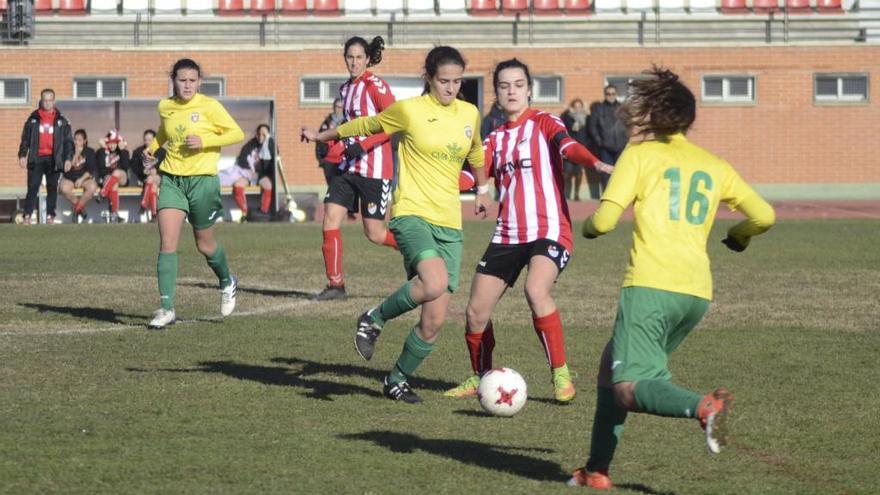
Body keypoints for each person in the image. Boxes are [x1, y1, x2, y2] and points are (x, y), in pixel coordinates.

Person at [567, 67, 776, 490]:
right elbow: (765, 215)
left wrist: (584, 230)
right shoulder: (712, 164)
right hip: (695, 293)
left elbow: (604, 221)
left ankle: (703, 406)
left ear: (653, 113)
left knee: (629, 386)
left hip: (651, 287)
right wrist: (738, 236)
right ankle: (595, 472)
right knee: (612, 368)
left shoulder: (640, 155)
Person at [301, 46, 491, 404]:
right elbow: (366, 125)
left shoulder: (469, 112)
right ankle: (373, 318)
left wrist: (482, 189)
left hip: (450, 223)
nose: (451, 88)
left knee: (433, 321)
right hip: (411, 214)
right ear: (429, 79)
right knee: (433, 282)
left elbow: (476, 151)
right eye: (443, 81)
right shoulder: (409, 110)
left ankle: (397, 379)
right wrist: (325, 136)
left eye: (456, 81)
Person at [443, 59, 613, 404]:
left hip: (548, 230)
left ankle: (561, 373)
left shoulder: (545, 121)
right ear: (497, 94)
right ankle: (480, 377)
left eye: (518, 84)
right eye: (504, 86)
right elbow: (474, 177)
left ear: (529, 89)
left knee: (536, 290)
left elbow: (567, 147)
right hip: (508, 234)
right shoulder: (493, 140)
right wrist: (435, 179)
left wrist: (592, 162)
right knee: (476, 312)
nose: (511, 91)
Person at [144, 58, 245, 330]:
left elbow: (236, 132)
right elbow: (166, 130)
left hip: (203, 182)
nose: (187, 85)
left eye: (192, 80)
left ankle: (226, 281)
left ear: (200, 81)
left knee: (205, 245)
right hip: (172, 180)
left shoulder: (210, 106)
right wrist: (153, 149)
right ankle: (166, 308)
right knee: (167, 243)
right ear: (173, 80)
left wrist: (205, 141)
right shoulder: (165, 106)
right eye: (182, 80)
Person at [303, 36, 400, 302]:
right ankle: (336, 285)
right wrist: (322, 138)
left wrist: (365, 144)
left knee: (375, 234)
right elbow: (347, 129)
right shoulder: (345, 89)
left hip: (375, 170)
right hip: (348, 168)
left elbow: (394, 124)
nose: (354, 62)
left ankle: (417, 255)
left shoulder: (376, 85)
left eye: (359, 57)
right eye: (350, 57)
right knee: (330, 219)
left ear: (368, 59)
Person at [18, 88, 73, 225]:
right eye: (45, 100)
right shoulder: (33, 119)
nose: (47, 103)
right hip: (37, 158)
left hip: (54, 159)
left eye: (50, 100)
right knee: (33, 187)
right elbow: (25, 139)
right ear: (41, 101)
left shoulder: (62, 120)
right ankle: (27, 216)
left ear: (54, 101)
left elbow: (68, 142)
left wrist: (68, 159)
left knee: (52, 187)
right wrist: (23, 155)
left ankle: (50, 216)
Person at [588, 85, 629, 191]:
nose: (610, 96)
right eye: (608, 94)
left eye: (613, 93)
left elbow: (629, 125)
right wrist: (599, 142)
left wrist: (626, 141)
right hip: (605, 147)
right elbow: (592, 127)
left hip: (621, 146)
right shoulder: (598, 109)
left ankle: (618, 195)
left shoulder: (622, 108)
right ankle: (606, 195)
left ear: (616, 94)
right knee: (605, 172)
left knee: (620, 172)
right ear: (605, 94)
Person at [232, 124, 276, 220]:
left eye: (264, 134)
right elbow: (242, 159)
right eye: (259, 134)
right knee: (238, 185)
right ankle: (245, 213)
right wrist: (249, 170)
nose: (261, 137)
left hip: (262, 175)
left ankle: (263, 212)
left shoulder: (270, 144)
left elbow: (274, 158)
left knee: (268, 185)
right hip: (249, 173)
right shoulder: (250, 145)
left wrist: (269, 140)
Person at [58, 129, 98, 224]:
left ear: (85, 141)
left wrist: (81, 179)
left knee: (92, 187)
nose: (77, 142)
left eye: (79, 140)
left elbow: (91, 170)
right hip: (70, 178)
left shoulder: (90, 151)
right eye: (75, 139)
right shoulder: (68, 151)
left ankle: (76, 210)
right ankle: (80, 208)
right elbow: (66, 170)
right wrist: (76, 154)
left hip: (84, 178)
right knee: (63, 188)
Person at [95, 130, 131, 223]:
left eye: (114, 143)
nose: (112, 146)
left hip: (122, 177)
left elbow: (125, 166)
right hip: (108, 179)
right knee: (113, 183)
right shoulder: (101, 152)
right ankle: (114, 215)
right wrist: (103, 149)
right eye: (109, 143)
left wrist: (122, 150)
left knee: (116, 172)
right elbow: (101, 169)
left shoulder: (123, 151)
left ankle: (102, 194)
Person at [130, 129, 165, 222]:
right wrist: (143, 171)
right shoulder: (138, 152)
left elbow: (166, 168)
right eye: (146, 140)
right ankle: (154, 215)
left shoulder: (162, 152)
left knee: (151, 179)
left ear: (155, 140)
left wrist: (156, 171)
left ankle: (143, 205)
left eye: (150, 140)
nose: (147, 142)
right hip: (144, 179)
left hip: (159, 178)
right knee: (152, 183)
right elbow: (134, 167)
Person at [560, 98, 590, 201]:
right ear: (572, 107)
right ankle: (563, 194)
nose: (577, 109)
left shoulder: (586, 117)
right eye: (575, 107)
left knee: (578, 173)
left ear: (582, 107)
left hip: (580, 148)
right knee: (567, 172)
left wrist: (586, 145)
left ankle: (577, 194)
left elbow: (588, 132)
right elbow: (562, 129)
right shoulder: (566, 117)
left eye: (579, 106)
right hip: (569, 147)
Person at [316, 98, 346, 187]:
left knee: (342, 188)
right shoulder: (327, 122)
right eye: (337, 107)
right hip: (328, 161)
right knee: (331, 187)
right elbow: (319, 140)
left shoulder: (348, 122)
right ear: (333, 107)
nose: (339, 109)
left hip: (343, 160)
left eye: (341, 107)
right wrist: (321, 159)